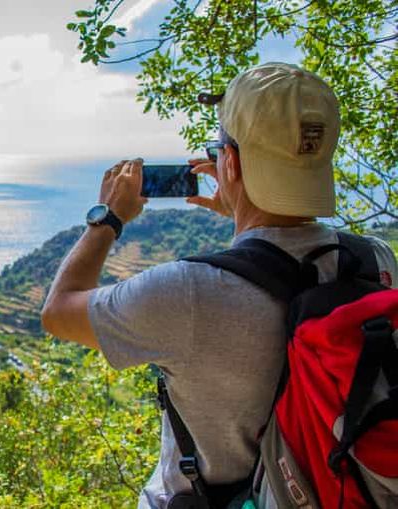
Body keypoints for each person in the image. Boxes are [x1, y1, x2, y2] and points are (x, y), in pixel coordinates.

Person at [40, 62, 398, 508]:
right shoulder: (373, 261)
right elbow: (288, 262)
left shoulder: (188, 292)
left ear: (229, 162)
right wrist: (246, 215)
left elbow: (57, 311)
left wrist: (107, 218)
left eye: (220, 148)